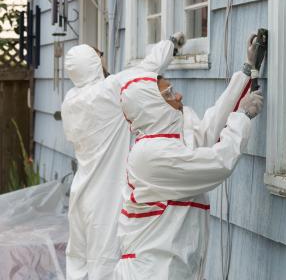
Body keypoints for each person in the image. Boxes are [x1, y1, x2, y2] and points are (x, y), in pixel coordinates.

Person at [113, 35, 264, 279]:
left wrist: (245, 72)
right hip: (151, 271)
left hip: (170, 268)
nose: (179, 95)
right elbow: (217, 163)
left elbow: (208, 131)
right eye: (169, 93)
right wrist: (242, 117)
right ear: (152, 106)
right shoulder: (151, 155)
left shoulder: (168, 139)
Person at [61, 33, 185, 279]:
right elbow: (147, 67)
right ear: (94, 66)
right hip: (104, 198)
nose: (103, 61)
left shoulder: (70, 100)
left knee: (77, 263)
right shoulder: (108, 91)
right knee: (104, 264)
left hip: (79, 195)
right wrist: (170, 44)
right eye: (99, 58)